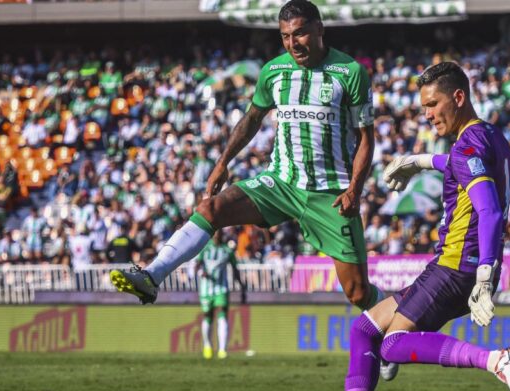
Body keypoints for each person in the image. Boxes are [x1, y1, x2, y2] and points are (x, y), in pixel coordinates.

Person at [109, 0, 383, 312]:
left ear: (319, 29)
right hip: (281, 183)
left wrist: (354, 190)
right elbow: (251, 119)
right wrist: (222, 163)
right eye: (285, 36)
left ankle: (393, 332)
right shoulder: (274, 71)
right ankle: (151, 276)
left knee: (358, 293)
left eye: (300, 33)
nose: (293, 43)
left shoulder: (349, 73)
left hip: (331, 194)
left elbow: (366, 138)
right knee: (210, 208)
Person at [336, 62, 510, 391]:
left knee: (391, 344)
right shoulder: (487, 135)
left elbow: (489, 210)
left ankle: (496, 360)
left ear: (458, 97)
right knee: (364, 330)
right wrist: (419, 162)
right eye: (423, 107)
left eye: (433, 104)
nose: (427, 114)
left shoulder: (467, 143)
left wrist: (485, 274)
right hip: (457, 264)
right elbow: (459, 165)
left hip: (458, 265)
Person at [196, 230, 243, 360]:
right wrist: (201, 273)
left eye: (219, 233)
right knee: (208, 316)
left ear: (222, 235)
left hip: (221, 287)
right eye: (215, 233)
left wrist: (241, 286)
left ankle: (223, 349)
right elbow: (197, 266)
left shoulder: (227, 250)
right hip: (206, 288)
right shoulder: (205, 249)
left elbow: (234, 269)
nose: (217, 236)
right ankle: (207, 345)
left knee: (222, 313)